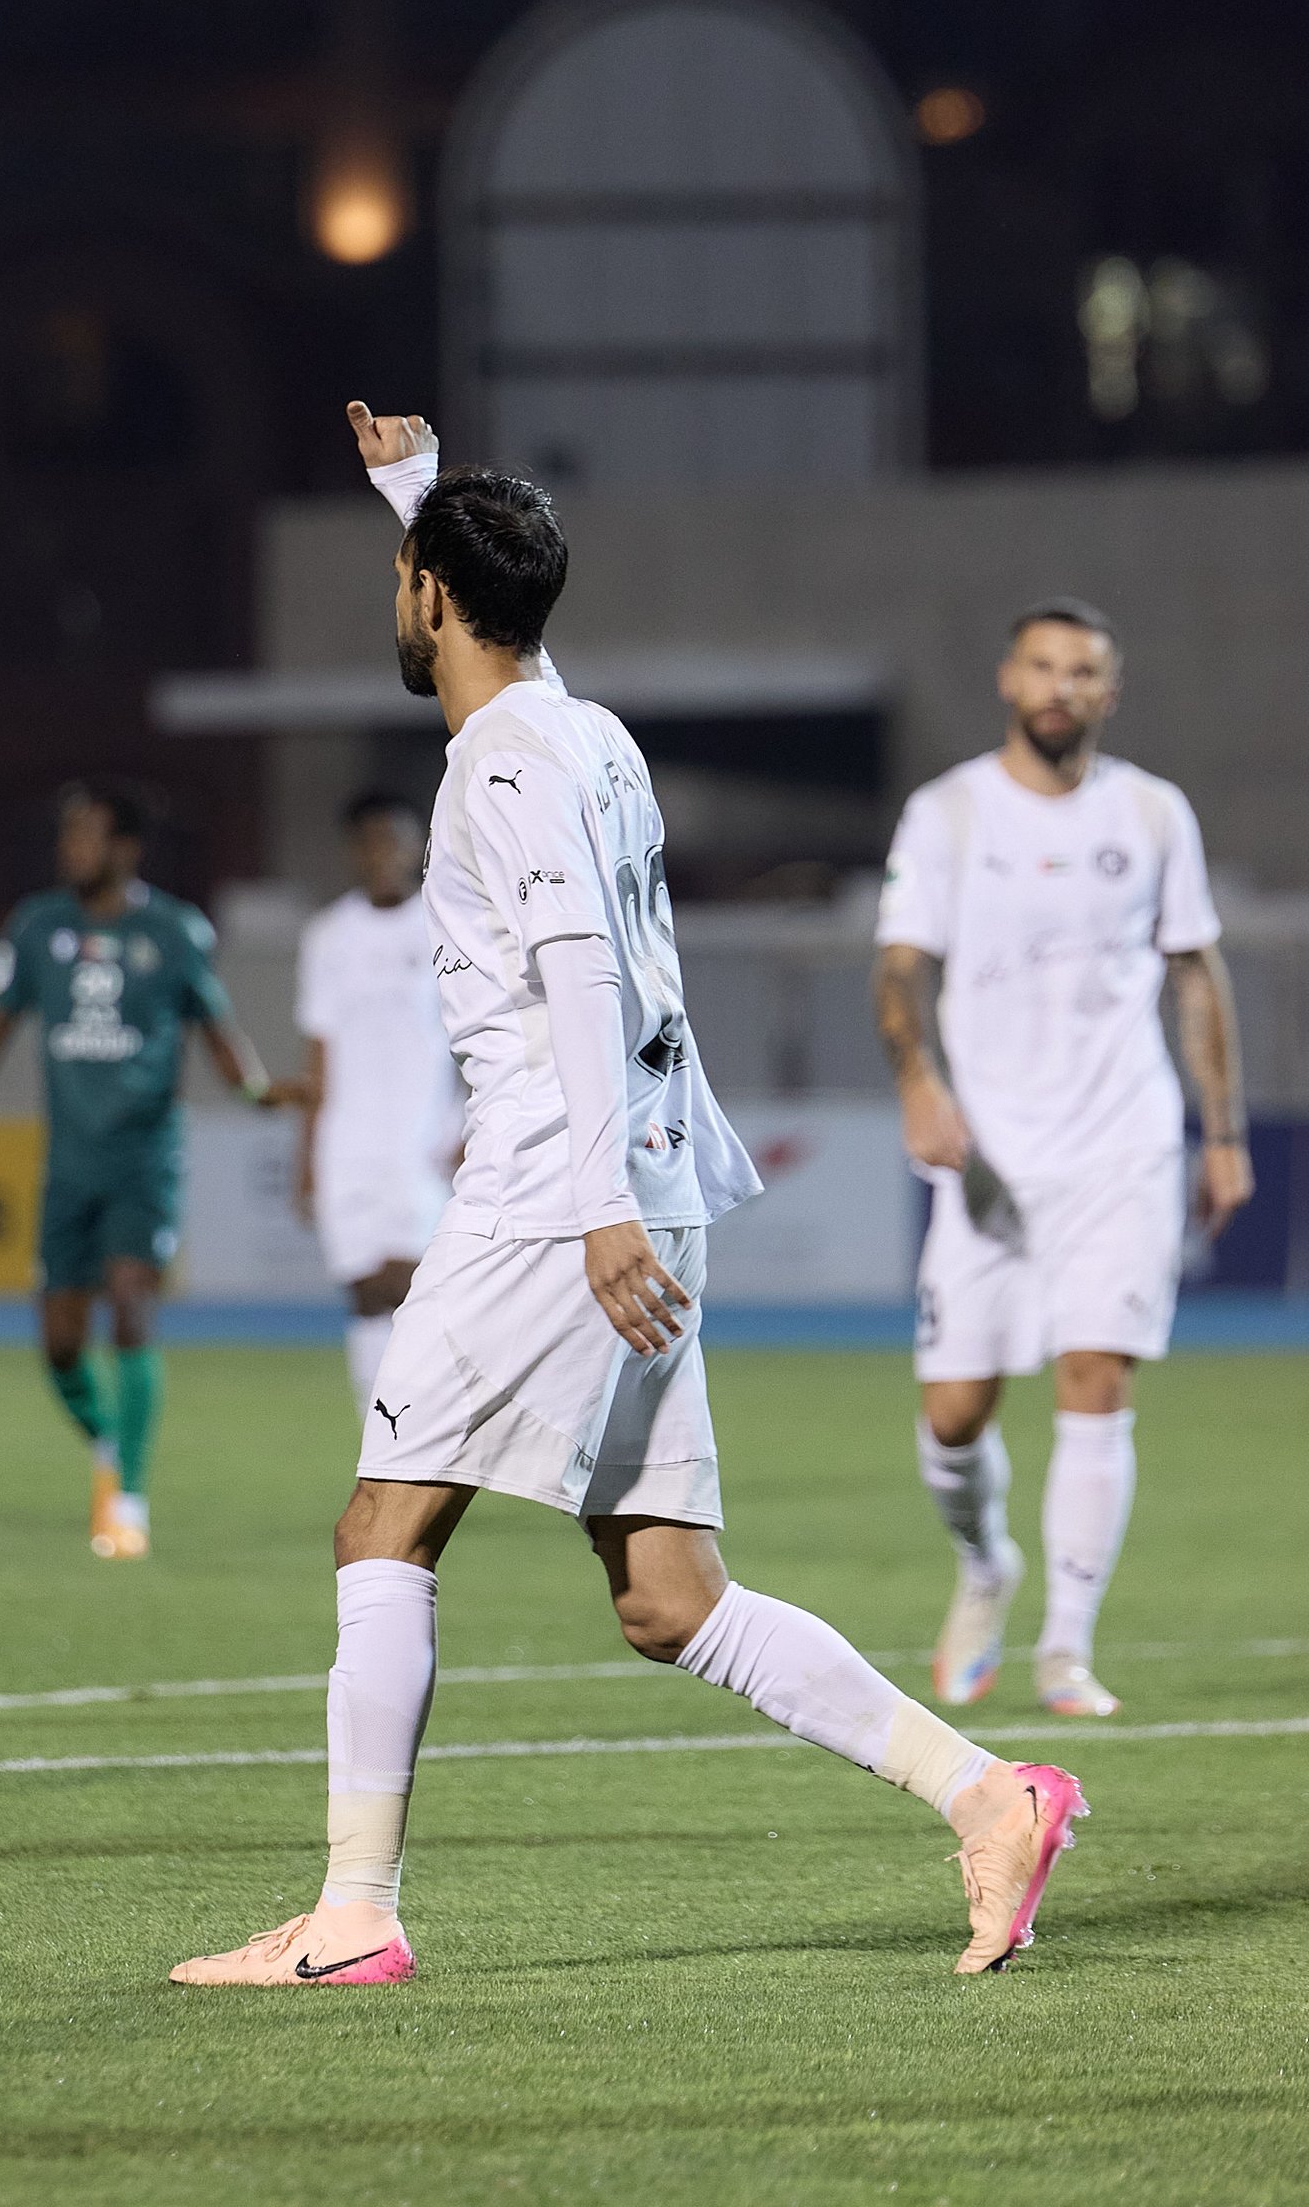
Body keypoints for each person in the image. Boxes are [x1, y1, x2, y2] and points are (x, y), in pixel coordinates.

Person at [166, 406, 1087, 1991]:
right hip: (639, 1183)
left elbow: (582, 972)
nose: (399, 603)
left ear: (432, 597)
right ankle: (989, 1796)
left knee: (381, 1528)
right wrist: (419, 500)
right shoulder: (582, 731)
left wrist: (592, 1203)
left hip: (555, 1194)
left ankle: (355, 1915)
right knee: (669, 1599)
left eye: (405, 578)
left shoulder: (502, 764)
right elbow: (506, 666)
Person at [873, 599, 1253, 1719]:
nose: (1060, 687)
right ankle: (985, 1562)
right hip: (989, 1159)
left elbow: (1195, 972)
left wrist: (1223, 1133)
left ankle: (1066, 1652)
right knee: (955, 1413)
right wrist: (918, 1083)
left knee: (1097, 1376)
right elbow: (899, 970)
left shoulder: (1151, 812)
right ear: (1009, 680)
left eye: (1082, 671)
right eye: (1042, 667)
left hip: (1122, 1141)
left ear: (1109, 691)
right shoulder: (947, 813)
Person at [0, 781, 295, 1561]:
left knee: (131, 1308)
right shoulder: (37, 925)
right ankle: (110, 1445)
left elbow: (215, 1027)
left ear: (125, 848)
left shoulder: (174, 930)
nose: (69, 848)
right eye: (67, 835)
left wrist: (254, 1092)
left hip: (144, 1156)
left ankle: (128, 1499)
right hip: (69, 1163)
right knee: (59, 1345)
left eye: (85, 835)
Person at [294, 791, 463, 1419]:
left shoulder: (448, 926)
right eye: (368, 841)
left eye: (393, 839)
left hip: (425, 1141)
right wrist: (306, 1155)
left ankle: (424, 1432)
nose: (381, 854)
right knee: (366, 1295)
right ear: (352, 851)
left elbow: (478, 1040)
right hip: (347, 1144)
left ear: (417, 847)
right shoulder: (328, 936)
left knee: (413, 1287)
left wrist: (473, 1125)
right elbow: (318, 1053)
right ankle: (382, 1436)